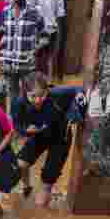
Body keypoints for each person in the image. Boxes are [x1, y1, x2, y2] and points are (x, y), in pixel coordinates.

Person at [13, 72, 83, 207]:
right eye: (33, 96)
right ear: (25, 93)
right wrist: (26, 130)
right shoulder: (19, 103)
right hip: (39, 136)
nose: (38, 100)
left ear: (47, 90)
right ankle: (27, 186)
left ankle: (46, 191)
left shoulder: (57, 94)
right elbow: (16, 124)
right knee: (20, 164)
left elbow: (78, 90)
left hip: (60, 139)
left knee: (41, 201)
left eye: (42, 95)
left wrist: (76, 108)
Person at [0, 0, 44, 118]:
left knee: (29, 95)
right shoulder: (5, 12)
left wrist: (35, 50)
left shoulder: (35, 13)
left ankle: (28, 122)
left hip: (27, 65)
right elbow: (7, 35)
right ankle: (14, 124)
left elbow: (45, 36)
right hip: (9, 64)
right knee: (12, 97)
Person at [34, 0, 66, 79]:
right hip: (52, 29)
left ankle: (35, 79)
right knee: (50, 55)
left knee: (36, 54)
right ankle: (50, 80)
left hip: (37, 28)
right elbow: (60, 14)